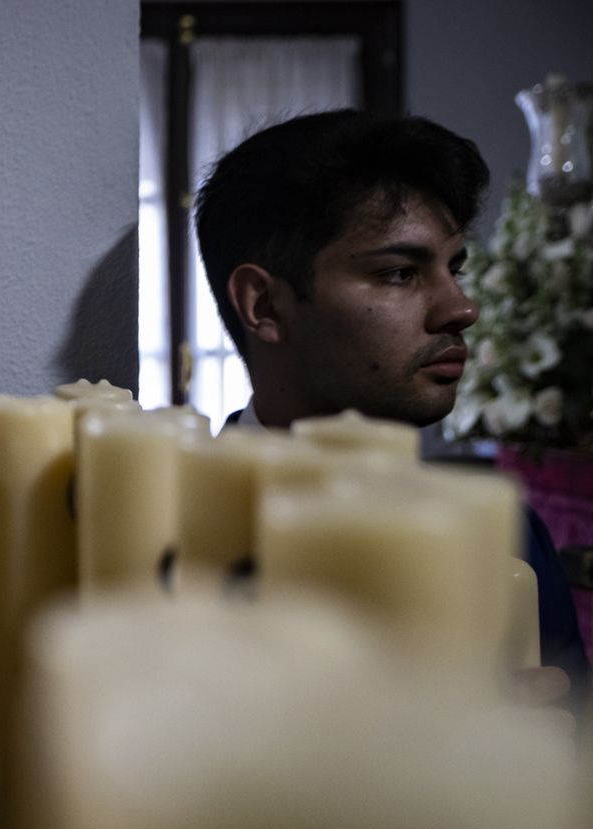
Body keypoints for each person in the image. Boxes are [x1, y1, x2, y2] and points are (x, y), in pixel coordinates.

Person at [195, 108, 587, 708]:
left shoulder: (507, 534)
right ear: (265, 306)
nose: (461, 308)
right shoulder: (173, 540)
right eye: (400, 273)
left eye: (454, 268)